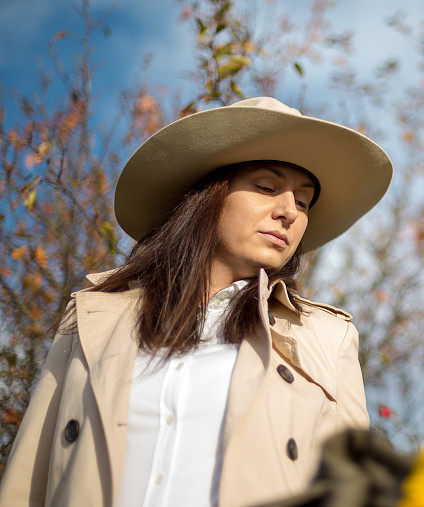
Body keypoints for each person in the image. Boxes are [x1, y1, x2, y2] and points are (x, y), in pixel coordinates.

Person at [0, 97, 393, 506]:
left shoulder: (328, 337)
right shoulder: (92, 318)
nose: (289, 212)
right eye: (266, 187)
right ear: (208, 194)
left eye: (303, 201)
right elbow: (27, 479)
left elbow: (355, 491)